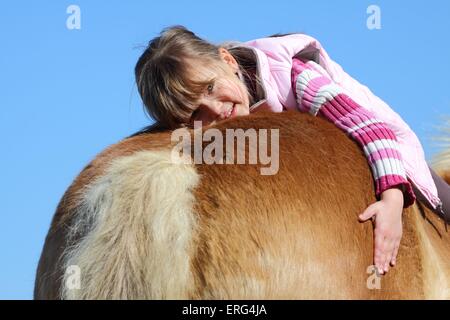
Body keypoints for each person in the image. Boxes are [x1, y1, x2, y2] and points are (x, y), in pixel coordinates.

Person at [134, 25, 449, 275]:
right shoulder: (225, 115)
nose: (215, 110)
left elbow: (373, 130)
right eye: (195, 115)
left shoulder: (296, 77)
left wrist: (393, 201)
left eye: (210, 88)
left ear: (228, 61)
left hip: (392, 149)